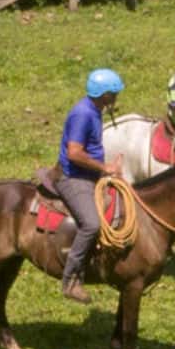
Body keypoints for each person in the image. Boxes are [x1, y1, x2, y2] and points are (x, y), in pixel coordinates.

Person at [54, 66, 123, 301]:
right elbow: (74, 153)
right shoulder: (83, 114)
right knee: (91, 224)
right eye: (114, 94)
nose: (116, 98)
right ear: (104, 95)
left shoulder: (95, 110)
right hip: (73, 177)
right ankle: (71, 279)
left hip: (88, 174)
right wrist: (105, 168)